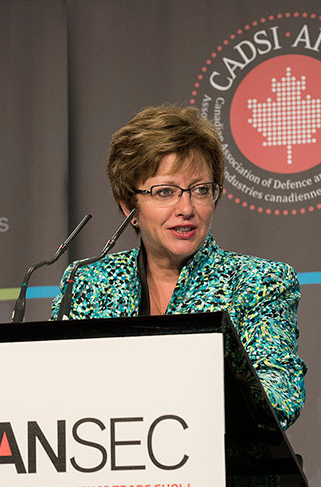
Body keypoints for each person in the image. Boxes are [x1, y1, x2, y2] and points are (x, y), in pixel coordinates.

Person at [51, 105, 306, 429]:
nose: (186, 208)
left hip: (224, 474)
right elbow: (57, 391)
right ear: (129, 204)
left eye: (200, 190)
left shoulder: (260, 282)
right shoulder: (88, 282)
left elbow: (280, 397)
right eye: (166, 192)